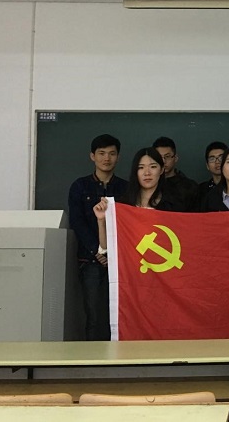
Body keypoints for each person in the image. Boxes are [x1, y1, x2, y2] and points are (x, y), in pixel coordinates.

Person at [68, 134, 128, 341]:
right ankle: (93, 358)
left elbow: (128, 225)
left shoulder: (126, 188)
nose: (107, 158)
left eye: (112, 153)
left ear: (118, 157)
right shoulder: (80, 186)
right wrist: (98, 251)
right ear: (92, 156)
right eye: (101, 153)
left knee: (120, 314)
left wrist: (112, 253)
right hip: (90, 260)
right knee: (93, 315)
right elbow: (77, 222)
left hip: (120, 262)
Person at [152, 136, 199, 211]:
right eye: (159, 157)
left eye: (167, 156)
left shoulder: (190, 187)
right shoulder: (148, 184)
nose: (163, 161)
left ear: (175, 158)